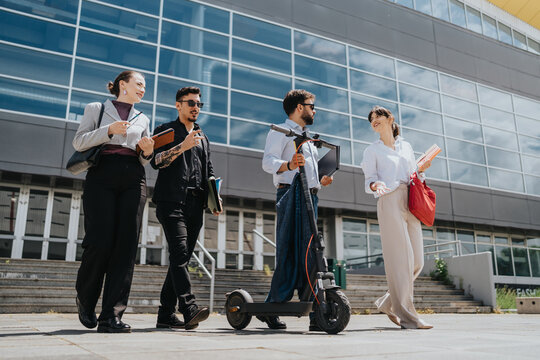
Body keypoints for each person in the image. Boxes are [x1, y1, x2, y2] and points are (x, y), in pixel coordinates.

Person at [73, 70, 154, 333]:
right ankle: (86, 300)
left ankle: (112, 317)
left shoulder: (144, 117)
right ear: (123, 85)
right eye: (139, 84)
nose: (143, 89)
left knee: (126, 246)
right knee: (100, 241)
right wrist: (108, 130)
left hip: (134, 175)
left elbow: (144, 158)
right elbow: (79, 141)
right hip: (102, 172)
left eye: (144, 86)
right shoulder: (96, 108)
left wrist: (148, 151)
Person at [261, 89, 333, 331]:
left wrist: (320, 180)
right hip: (290, 195)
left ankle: (315, 312)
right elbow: (267, 162)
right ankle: (273, 305)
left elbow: (310, 171)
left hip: (310, 196)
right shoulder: (280, 131)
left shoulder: (308, 138)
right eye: (312, 106)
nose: (314, 110)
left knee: (311, 252)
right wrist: (289, 163)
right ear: (300, 107)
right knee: (290, 250)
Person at [150, 86, 221, 330]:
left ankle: (165, 314)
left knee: (182, 258)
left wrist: (215, 198)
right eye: (191, 103)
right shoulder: (166, 130)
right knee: (179, 253)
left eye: (199, 104)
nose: (196, 108)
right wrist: (183, 145)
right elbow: (156, 161)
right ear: (178, 105)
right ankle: (188, 307)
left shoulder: (203, 136)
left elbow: (208, 170)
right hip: (171, 201)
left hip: (196, 204)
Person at [361, 106, 433, 330]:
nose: (374, 120)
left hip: (410, 199)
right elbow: (369, 180)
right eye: (371, 118)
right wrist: (376, 184)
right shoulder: (371, 151)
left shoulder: (406, 146)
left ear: (390, 119)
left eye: (378, 116)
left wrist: (422, 169)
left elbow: (413, 174)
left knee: (417, 261)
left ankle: (387, 303)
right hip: (389, 200)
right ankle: (408, 317)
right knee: (401, 261)